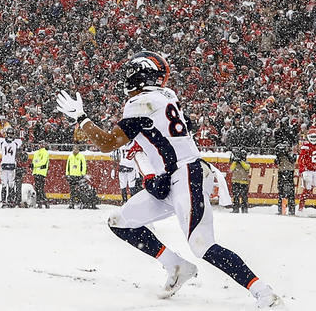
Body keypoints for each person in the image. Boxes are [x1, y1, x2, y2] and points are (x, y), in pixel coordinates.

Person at [54, 51, 281, 308]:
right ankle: (175, 265)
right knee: (120, 222)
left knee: (202, 245)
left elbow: (107, 143)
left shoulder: (142, 103)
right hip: (173, 176)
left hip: (186, 175)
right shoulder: (166, 97)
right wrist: (154, 174)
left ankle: (264, 292)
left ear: (139, 75)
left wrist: (82, 119)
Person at [296, 129, 316, 213]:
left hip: (314, 170)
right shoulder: (306, 145)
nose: (314, 138)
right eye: (312, 137)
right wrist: (302, 170)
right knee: (307, 190)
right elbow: (301, 159)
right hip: (307, 170)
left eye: (315, 136)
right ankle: (300, 209)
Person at [0, 127, 23, 207]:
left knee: (9, 185)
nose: (10, 135)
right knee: (5, 185)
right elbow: (21, 140)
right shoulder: (15, 142)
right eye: (10, 134)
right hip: (8, 165)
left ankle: (8, 200)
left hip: (8, 165)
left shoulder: (2, 141)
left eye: (11, 134)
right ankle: (6, 200)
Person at [274, 143, 295, 216]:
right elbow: (276, 163)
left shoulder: (292, 154)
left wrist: (287, 154)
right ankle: (282, 210)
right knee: (281, 192)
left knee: (290, 193)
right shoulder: (279, 156)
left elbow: (293, 160)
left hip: (289, 172)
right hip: (281, 172)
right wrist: (278, 155)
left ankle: (291, 211)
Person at [65, 144, 87, 209]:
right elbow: (67, 165)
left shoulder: (81, 156)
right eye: (74, 149)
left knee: (79, 190)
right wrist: (67, 174)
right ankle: (72, 204)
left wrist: (83, 174)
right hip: (71, 175)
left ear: (78, 150)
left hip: (79, 176)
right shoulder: (70, 156)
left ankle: (80, 203)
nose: (75, 150)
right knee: (72, 191)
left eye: (76, 149)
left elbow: (84, 165)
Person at [229, 149, 251, 214]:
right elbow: (231, 169)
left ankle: (244, 209)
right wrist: (235, 161)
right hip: (235, 181)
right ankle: (235, 209)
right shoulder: (235, 162)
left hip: (244, 182)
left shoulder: (247, 163)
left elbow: (247, 167)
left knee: (244, 197)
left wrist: (240, 161)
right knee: (235, 197)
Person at [30, 142, 49, 208]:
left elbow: (43, 162)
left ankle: (44, 202)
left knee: (40, 188)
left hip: (42, 172)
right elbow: (34, 161)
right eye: (40, 144)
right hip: (36, 172)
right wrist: (33, 165)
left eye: (41, 144)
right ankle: (41, 202)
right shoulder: (36, 153)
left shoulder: (45, 152)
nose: (40, 145)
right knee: (38, 188)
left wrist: (34, 165)